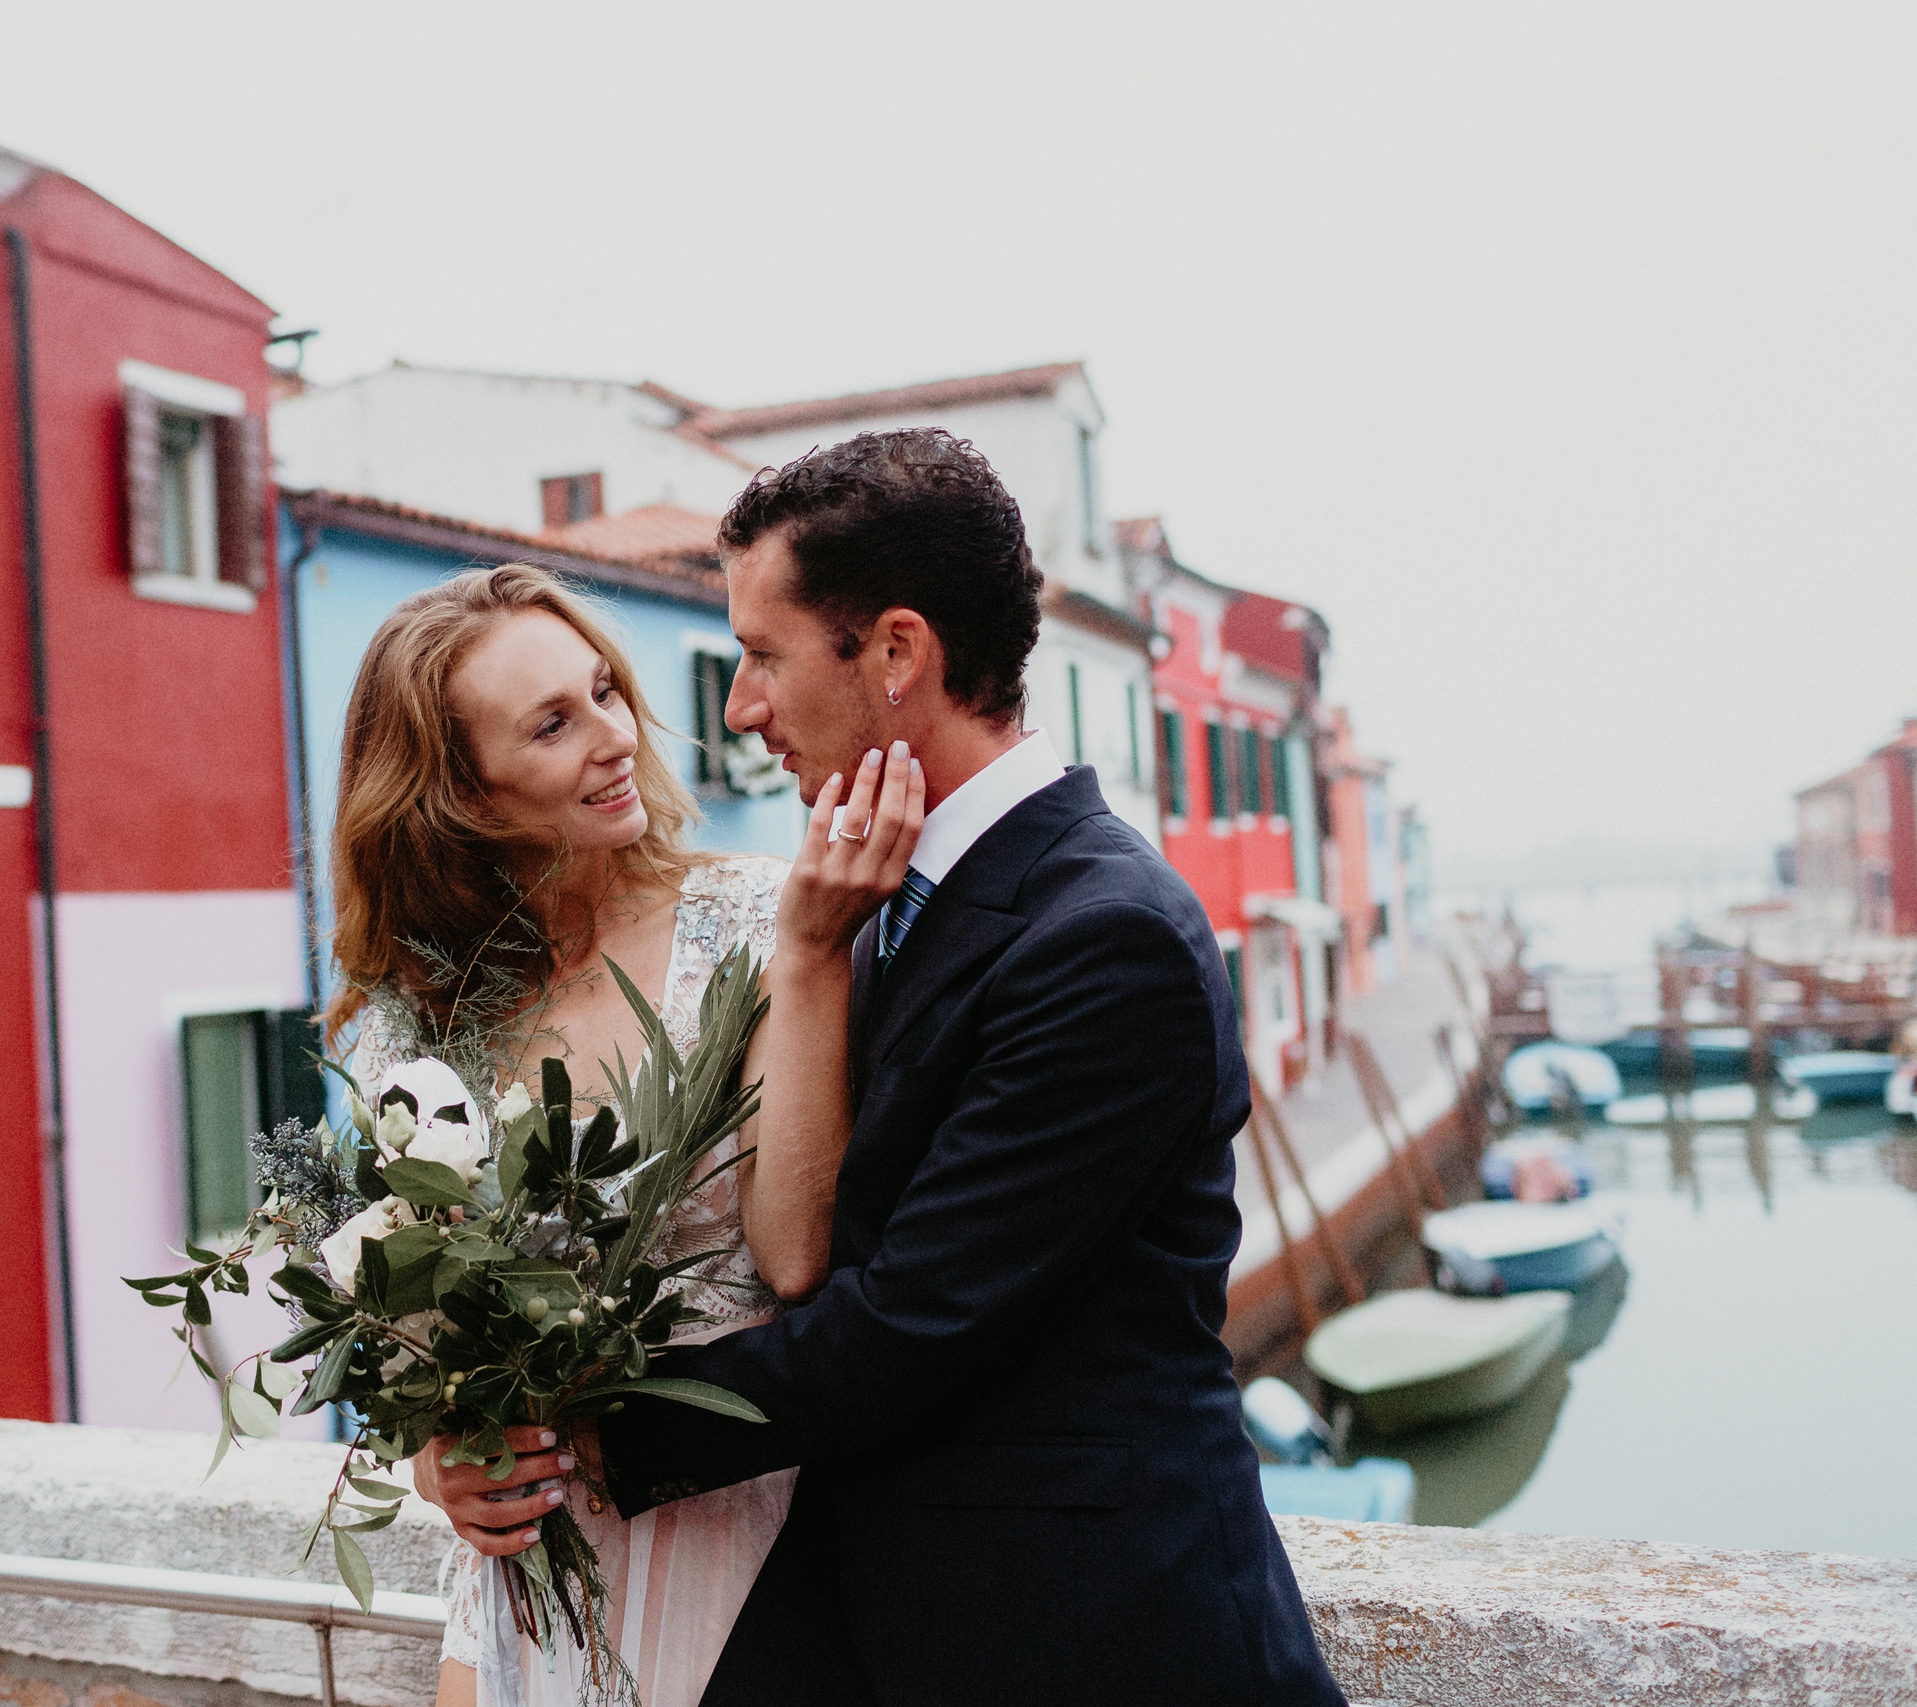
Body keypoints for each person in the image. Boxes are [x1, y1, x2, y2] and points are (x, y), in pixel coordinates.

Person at [415, 430, 1346, 1705]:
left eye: (762, 656)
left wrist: (563, 1436)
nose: (738, 709)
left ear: (898, 653)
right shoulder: (862, 902)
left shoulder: (1103, 937)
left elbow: (909, 1328)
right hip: (869, 1621)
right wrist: (464, 1427)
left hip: (1091, 1641)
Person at [325, 562, 923, 1707]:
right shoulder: (416, 1016)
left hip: (735, 1529)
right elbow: (415, 1315)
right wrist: (441, 1460)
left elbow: (795, 1256)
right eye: (552, 724)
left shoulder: (759, 922)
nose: (615, 737)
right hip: (523, 1567)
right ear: (462, 794)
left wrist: (809, 958)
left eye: (604, 691)